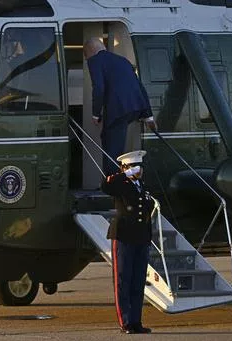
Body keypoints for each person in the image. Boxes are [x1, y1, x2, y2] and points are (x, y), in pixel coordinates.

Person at [83, 38, 157, 175]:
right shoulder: (123, 61)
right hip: (135, 108)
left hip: (118, 110)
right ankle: (129, 173)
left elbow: (98, 88)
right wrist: (148, 117)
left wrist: (95, 114)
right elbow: (140, 88)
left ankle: (115, 182)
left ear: (89, 52)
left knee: (111, 148)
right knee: (113, 140)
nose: (87, 59)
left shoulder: (95, 60)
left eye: (86, 56)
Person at [101, 150, 154, 334]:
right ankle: (125, 322)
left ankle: (136, 321)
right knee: (123, 281)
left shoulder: (142, 186)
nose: (138, 171)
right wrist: (124, 174)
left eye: (139, 167)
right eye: (134, 167)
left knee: (138, 281)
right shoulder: (121, 184)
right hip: (124, 236)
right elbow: (105, 186)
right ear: (125, 168)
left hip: (141, 237)